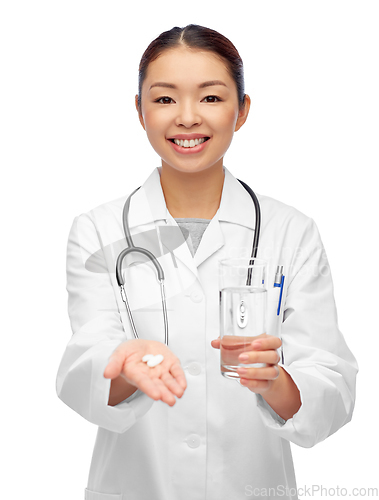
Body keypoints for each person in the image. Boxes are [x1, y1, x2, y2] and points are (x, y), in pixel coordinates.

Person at [56, 24, 358, 500]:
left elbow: (331, 382)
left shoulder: (291, 233)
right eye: (164, 99)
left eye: (212, 98)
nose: (188, 117)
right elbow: (86, 368)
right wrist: (124, 367)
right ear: (139, 111)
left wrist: (275, 382)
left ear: (242, 111)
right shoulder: (98, 230)